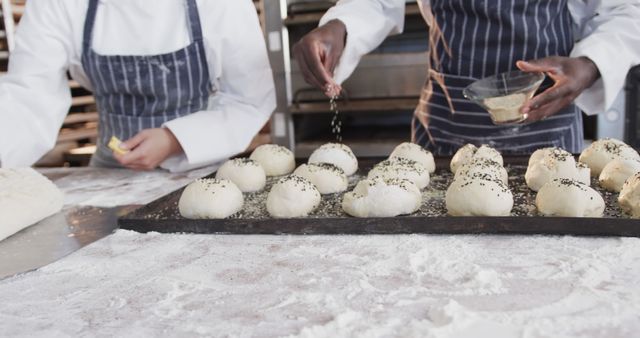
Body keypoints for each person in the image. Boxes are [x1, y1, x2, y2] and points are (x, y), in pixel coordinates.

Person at [293, 0, 640, 154]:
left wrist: (590, 63)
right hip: (447, 126)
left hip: (548, 122)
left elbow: (626, 9)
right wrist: (341, 26)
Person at [0, 0, 275, 171]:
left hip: (201, 175)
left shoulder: (220, 4)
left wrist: (175, 139)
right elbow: (29, 95)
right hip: (107, 180)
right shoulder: (59, 4)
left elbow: (249, 98)